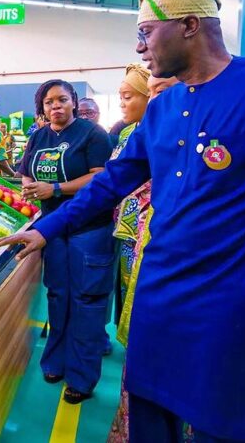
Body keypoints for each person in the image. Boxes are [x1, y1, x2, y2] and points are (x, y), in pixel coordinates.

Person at [0, 0, 245, 441]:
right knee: (152, 419)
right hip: (159, 304)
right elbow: (112, 182)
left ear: (190, 24)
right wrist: (47, 230)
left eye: (146, 32)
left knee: (231, 425)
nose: (140, 46)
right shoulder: (165, 111)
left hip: (240, 313)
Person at [19, 79, 113, 404]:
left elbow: (100, 177)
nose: (55, 106)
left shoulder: (93, 134)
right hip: (53, 229)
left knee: (86, 302)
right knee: (58, 296)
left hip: (89, 229)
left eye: (61, 100)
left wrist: (56, 189)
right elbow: (26, 171)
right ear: (42, 107)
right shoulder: (39, 136)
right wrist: (30, 185)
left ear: (73, 102)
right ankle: (55, 363)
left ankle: (82, 377)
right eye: (49, 102)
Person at [107, 71, 180, 443]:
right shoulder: (129, 135)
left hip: (165, 248)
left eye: (160, 91)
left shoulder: (182, 135)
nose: (126, 102)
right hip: (132, 240)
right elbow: (111, 182)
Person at [111, 63, 152, 339]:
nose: (122, 104)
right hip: (125, 228)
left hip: (147, 229)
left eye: (129, 97)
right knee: (126, 285)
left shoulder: (163, 133)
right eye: (120, 97)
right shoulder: (127, 133)